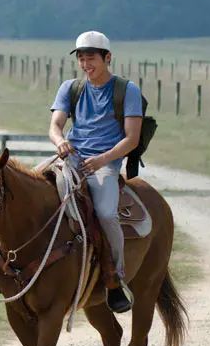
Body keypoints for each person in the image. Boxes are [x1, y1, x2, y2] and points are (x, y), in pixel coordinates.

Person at [48, 30, 141, 314]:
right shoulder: (70, 88)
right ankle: (7, 265)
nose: (86, 64)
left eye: (92, 58)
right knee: (24, 189)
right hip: (71, 158)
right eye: (82, 59)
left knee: (106, 213)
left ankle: (115, 278)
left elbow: (131, 139)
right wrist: (60, 140)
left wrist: (102, 160)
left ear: (107, 57)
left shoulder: (127, 90)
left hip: (106, 163)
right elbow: (54, 126)